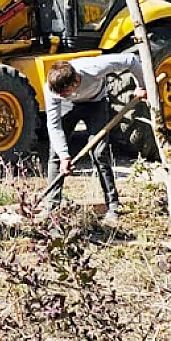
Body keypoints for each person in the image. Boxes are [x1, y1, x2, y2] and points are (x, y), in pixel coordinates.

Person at [42, 52, 147, 223]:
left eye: (64, 92)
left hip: (96, 103)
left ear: (75, 81)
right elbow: (53, 125)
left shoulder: (94, 67)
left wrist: (141, 85)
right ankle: (51, 206)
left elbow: (131, 60)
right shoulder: (52, 89)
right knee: (55, 154)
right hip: (70, 107)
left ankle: (113, 206)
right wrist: (64, 156)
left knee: (98, 153)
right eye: (58, 94)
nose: (59, 96)